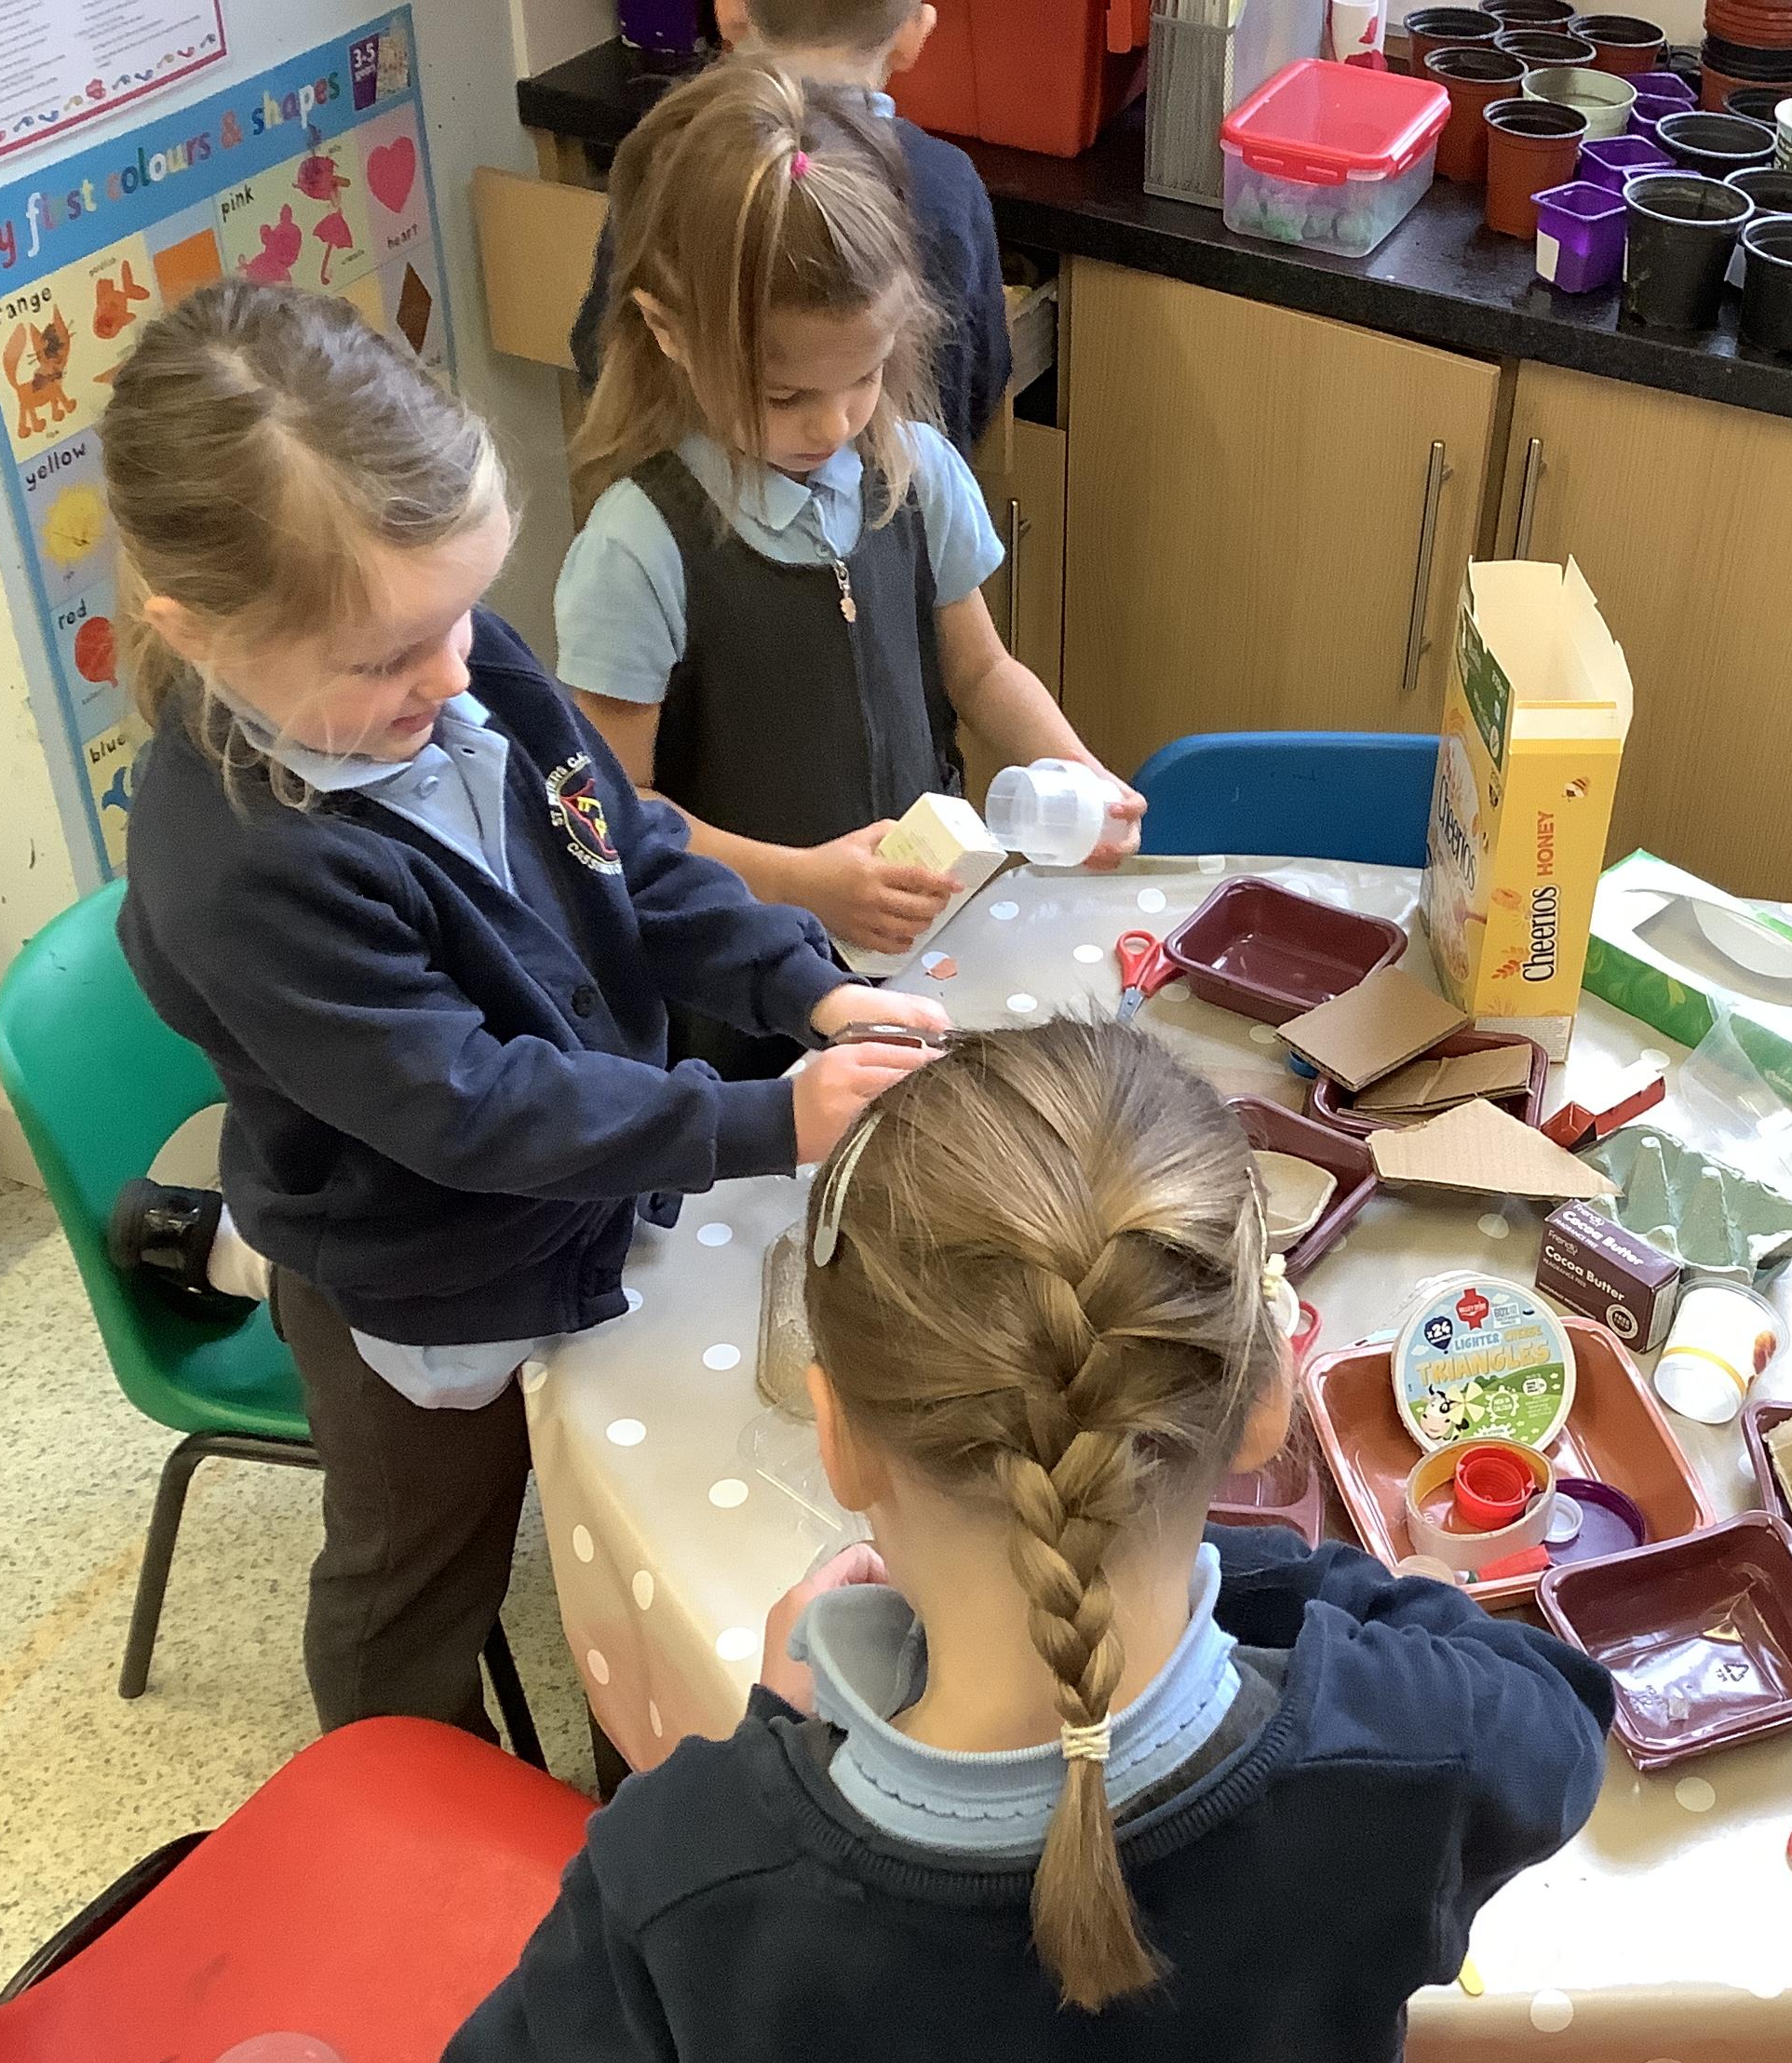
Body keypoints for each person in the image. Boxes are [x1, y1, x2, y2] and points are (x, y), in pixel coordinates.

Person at [439, 1020, 1613, 2063]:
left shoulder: (686, 1882)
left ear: (836, 1435)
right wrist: (1247, 1576)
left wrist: (771, 1739)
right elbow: (1557, 1717)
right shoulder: (1417, 1750)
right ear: (1266, 1400)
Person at [107, 278, 943, 1737]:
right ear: (198, 634)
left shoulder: (453, 658)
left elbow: (631, 855)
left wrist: (802, 983)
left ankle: (230, 1243)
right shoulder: (245, 867)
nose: (454, 670)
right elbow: (474, 1108)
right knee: (414, 1577)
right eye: (388, 658)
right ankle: (398, 1793)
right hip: (429, 1284)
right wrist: (762, 1118)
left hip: (577, 1200)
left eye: (461, 614)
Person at [558, 67, 1136, 1035]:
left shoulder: (915, 472)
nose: (834, 425)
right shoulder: (638, 547)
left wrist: (1079, 771)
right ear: (668, 331)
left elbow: (982, 671)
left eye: (864, 376)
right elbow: (614, 814)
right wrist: (804, 882)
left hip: (917, 950)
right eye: (784, 396)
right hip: (744, 992)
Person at [570, 0, 1009, 458]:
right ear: (915, 31)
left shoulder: (672, 163)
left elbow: (602, 354)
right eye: (781, 395)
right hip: (899, 486)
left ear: (730, 13)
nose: (832, 429)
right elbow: (980, 378)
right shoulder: (948, 181)